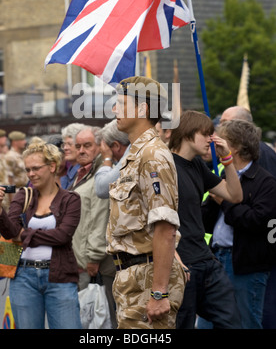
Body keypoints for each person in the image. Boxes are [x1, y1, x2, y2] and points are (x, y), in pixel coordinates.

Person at [106, 76, 186, 330]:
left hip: (148, 279)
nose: (114, 109)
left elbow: (165, 227)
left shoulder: (152, 155)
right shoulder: (137, 153)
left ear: (143, 109)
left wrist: (159, 293)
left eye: (120, 103)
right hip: (135, 277)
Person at [0, 140, 82, 329]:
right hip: (23, 276)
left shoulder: (70, 199)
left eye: (35, 168)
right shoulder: (23, 196)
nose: (31, 174)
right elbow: (10, 232)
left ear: (52, 166)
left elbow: (62, 236)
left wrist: (25, 234)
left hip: (60, 276)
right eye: (27, 170)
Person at [169, 110, 242, 329]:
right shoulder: (165, 165)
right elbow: (154, 219)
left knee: (232, 322)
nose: (211, 139)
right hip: (181, 263)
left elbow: (234, 195)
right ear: (187, 134)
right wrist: (174, 259)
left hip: (206, 260)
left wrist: (227, 159)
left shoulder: (198, 165)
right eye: (206, 133)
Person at [202, 119, 276, 329]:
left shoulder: (266, 182)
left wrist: (225, 201)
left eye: (221, 141)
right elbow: (207, 221)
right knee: (207, 323)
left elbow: (255, 222)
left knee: (245, 323)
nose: (215, 145)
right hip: (216, 259)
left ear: (234, 148)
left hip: (245, 266)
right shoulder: (223, 175)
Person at [71, 125, 117, 328]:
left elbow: (100, 217)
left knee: (105, 316)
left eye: (87, 145)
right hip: (81, 257)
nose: (81, 150)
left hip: (97, 261)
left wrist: (94, 256)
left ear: (101, 146)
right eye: (78, 146)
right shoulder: (82, 172)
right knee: (92, 316)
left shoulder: (101, 172)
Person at [95, 119, 130, 199]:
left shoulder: (131, 154)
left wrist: (107, 159)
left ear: (116, 146)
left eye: (107, 149)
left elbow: (102, 189)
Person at [60, 123, 85, 190]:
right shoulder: (70, 172)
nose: (65, 148)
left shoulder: (84, 172)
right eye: (64, 144)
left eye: (69, 144)